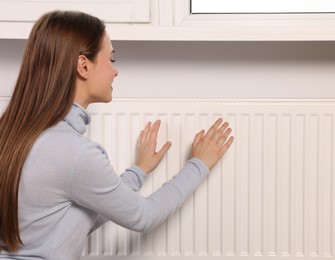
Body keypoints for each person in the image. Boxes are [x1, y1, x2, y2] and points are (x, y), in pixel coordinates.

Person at [0, 10, 234, 260]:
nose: (115, 71)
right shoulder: (75, 153)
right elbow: (145, 216)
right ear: (83, 65)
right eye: (111, 59)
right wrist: (199, 165)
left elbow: (76, 217)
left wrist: (138, 172)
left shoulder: (12, 133)